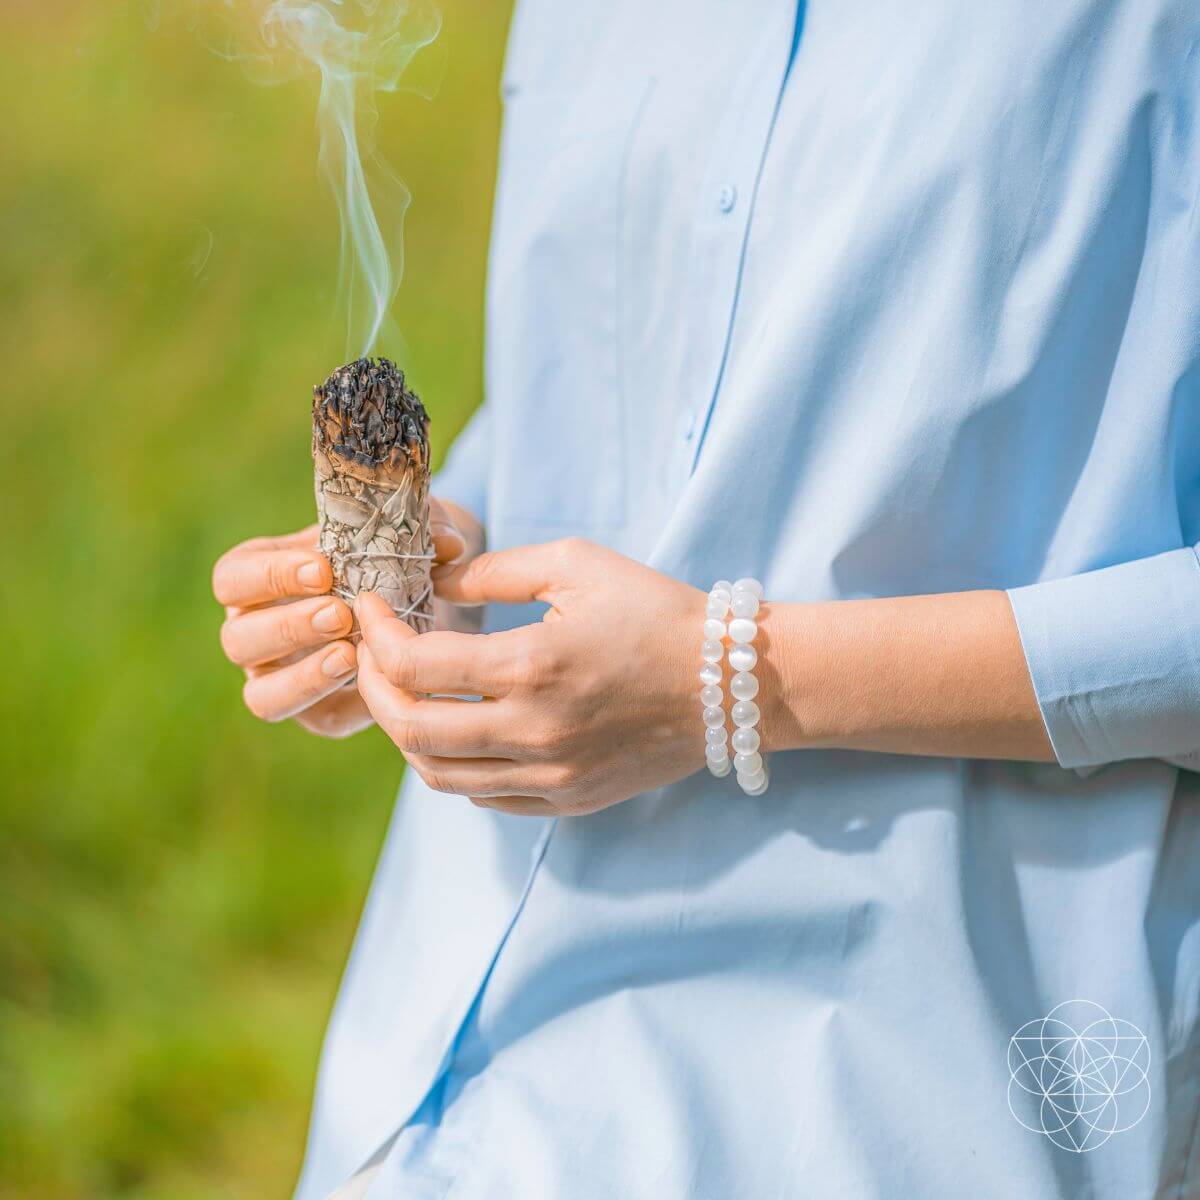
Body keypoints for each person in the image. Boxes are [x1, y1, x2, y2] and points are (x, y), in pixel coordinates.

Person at [212, 2, 1200, 1197]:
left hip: (896, 1081)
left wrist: (731, 680)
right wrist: (436, 575)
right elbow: (589, 392)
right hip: (451, 1074)